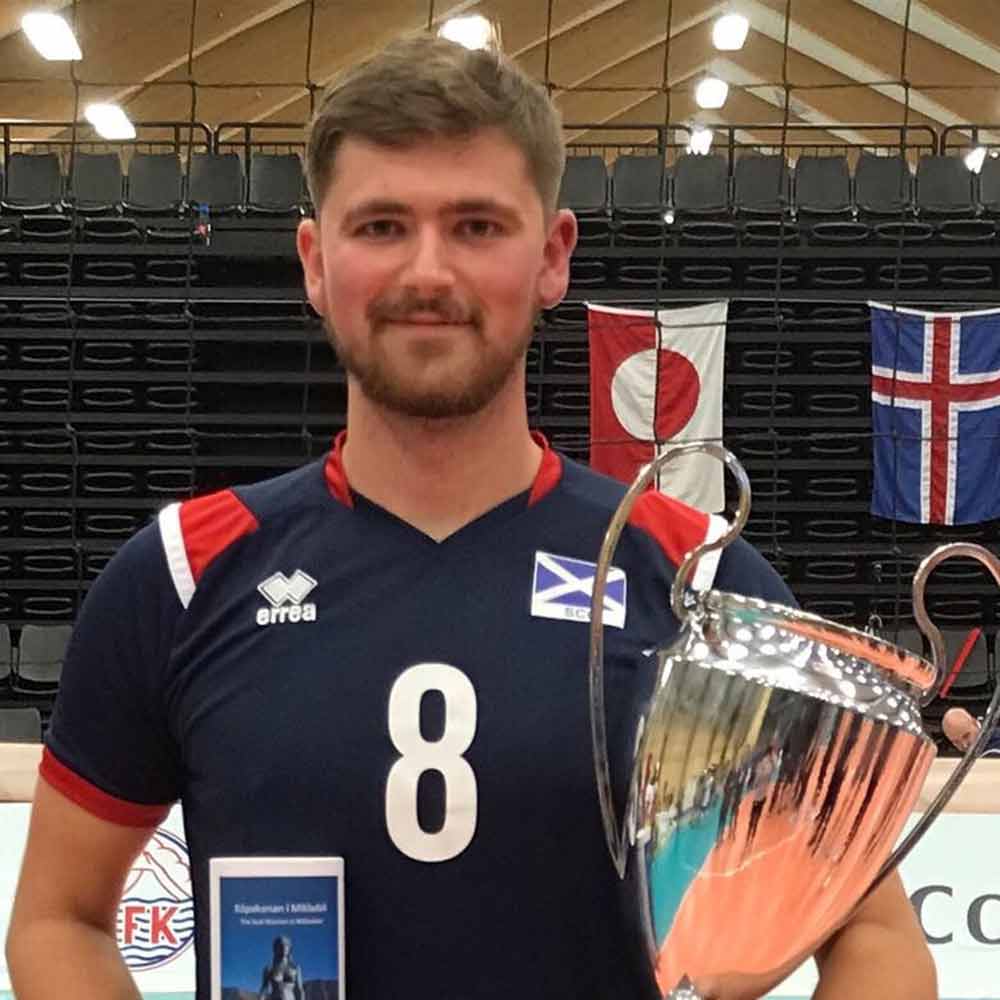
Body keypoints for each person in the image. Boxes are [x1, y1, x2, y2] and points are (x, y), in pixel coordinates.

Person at [6, 33, 935, 1000]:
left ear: (553, 256)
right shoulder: (184, 575)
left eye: (478, 226)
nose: (429, 274)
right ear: (315, 263)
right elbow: (56, 920)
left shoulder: (693, 574)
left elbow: (877, 938)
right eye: (381, 227)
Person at [259, 936, 303, 1000]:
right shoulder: (269, 968)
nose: (284, 947)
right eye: (280, 945)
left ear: (290, 948)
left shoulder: (295, 968)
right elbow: (264, 989)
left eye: (286, 945)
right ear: (275, 948)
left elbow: (299, 990)